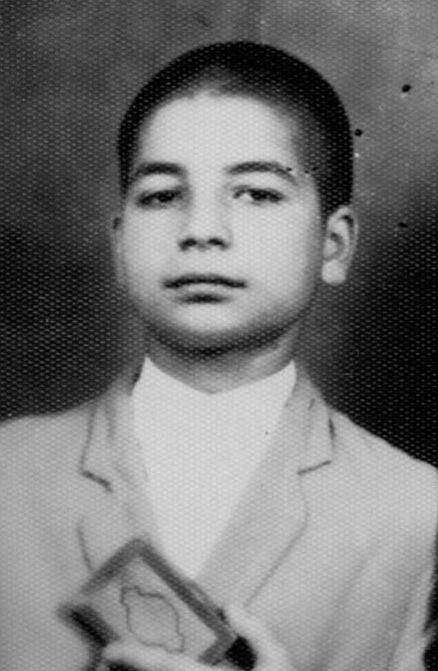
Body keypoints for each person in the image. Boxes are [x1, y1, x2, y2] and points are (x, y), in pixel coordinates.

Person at [0, 41, 436, 671]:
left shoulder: (418, 512)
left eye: (256, 194)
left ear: (334, 245)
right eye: (161, 196)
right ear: (120, 246)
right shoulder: (10, 472)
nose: (202, 230)